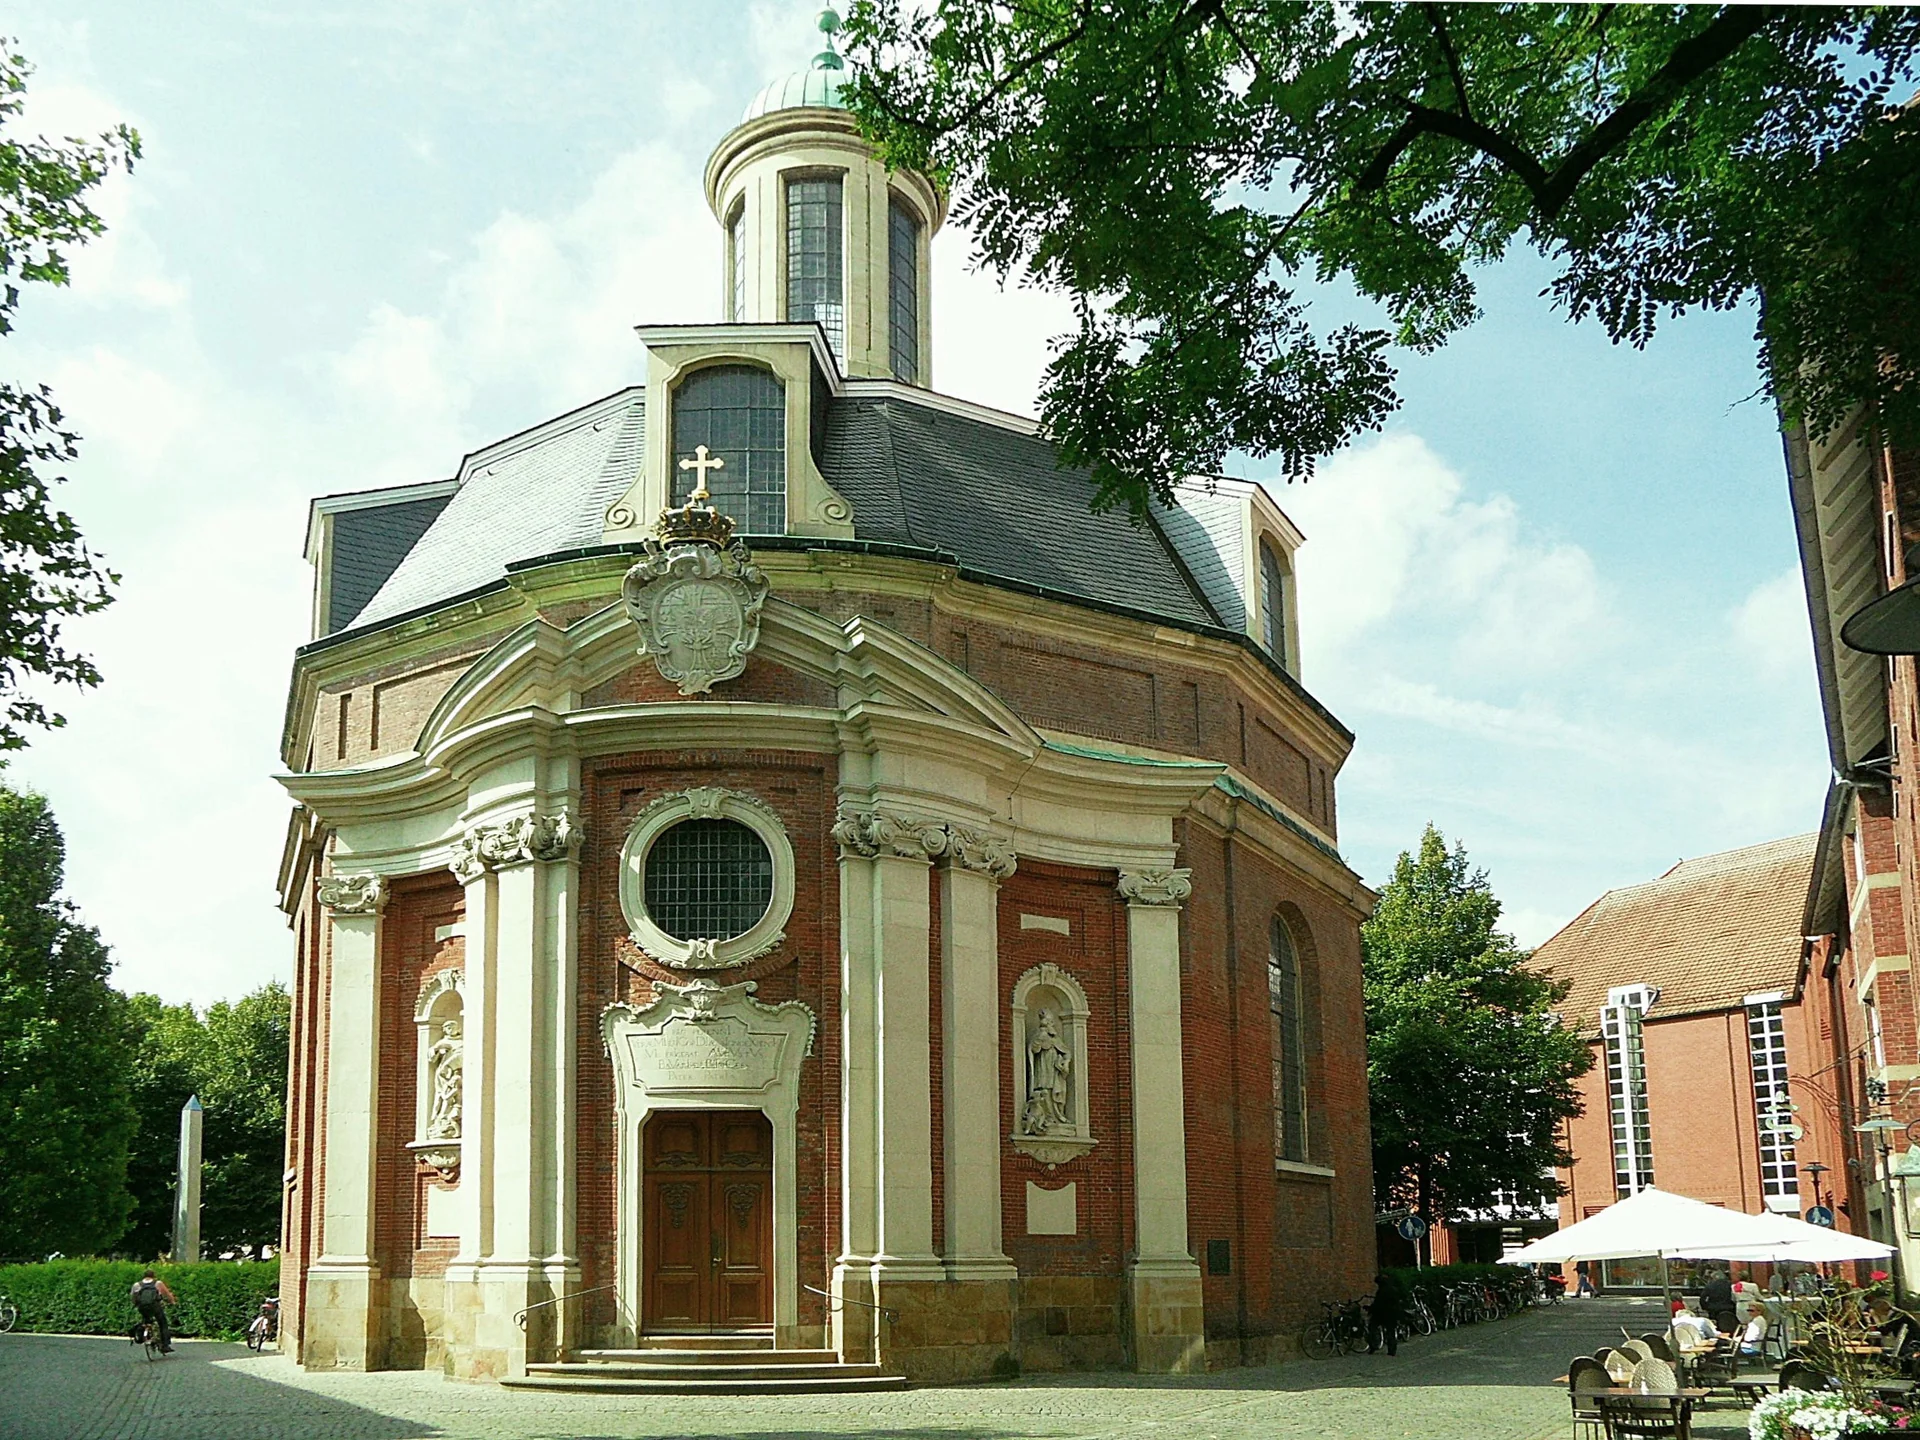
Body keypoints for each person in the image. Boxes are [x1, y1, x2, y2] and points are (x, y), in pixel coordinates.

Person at [130, 1268, 175, 1353]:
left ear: (144, 1276)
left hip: (142, 1308)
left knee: (145, 1320)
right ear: (153, 1276)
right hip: (155, 1307)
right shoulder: (158, 1283)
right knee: (162, 1323)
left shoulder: (137, 1285)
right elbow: (167, 1294)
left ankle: (143, 1333)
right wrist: (172, 1301)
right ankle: (165, 1345)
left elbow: (133, 1297)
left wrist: (136, 1304)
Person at [1367, 1270, 1409, 1356]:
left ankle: (1374, 1345)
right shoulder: (1393, 1289)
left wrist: (1370, 1309)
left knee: (1372, 1327)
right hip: (1392, 1314)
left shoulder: (1382, 1291)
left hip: (1380, 1314)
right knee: (1391, 1331)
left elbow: (1378, 1303)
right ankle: (1392, 1350)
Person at [1700, 1267, 1738, 1336]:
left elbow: (1703, 1298)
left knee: (1714, 1327)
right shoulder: (1730, 1285)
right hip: (1729, 1308)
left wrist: (1705, 1307)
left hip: (1714, 1310)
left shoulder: (1710, 1285)